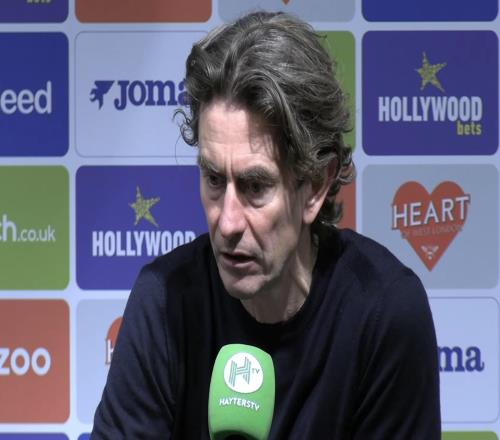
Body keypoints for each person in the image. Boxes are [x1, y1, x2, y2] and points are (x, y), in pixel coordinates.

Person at [91, 11, 441, 439]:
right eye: (214, 179)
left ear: (315, 186)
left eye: (255, 186)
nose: (227, 222)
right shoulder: (164, 301)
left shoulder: (385, 313)